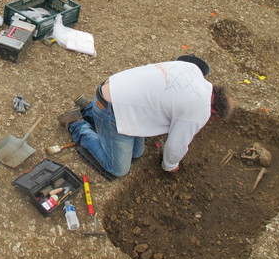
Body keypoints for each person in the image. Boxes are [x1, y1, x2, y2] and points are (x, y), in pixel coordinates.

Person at [58, 60, 233, 177]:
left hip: (113, 88)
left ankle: (89, 108)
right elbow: (175, 147)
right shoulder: (200, 110)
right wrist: (171, 166)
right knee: (118, 169)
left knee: (137, 153)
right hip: (113, 109)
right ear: (213, 111)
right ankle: (76, 123)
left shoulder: (193, 69)